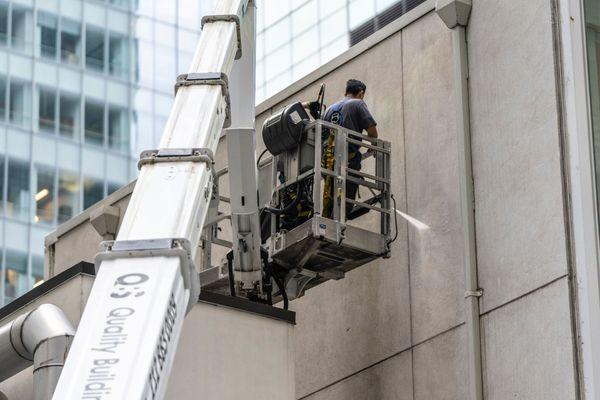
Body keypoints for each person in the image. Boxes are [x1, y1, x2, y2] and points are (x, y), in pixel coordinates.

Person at [322, 79, 378, 219]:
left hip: (327, 163)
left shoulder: (329, 110)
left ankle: (330, 221)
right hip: (347, 160)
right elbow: (372, 131)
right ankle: (340, 223)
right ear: (361, 93)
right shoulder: (357, 103)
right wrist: (373, 145)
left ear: (346, 92)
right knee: (345, 200)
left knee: (331, 196)